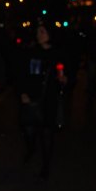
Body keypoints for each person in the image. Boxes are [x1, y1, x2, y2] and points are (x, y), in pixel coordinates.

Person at [16, 22, 68, 180]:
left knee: (46, 133)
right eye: (38, 32)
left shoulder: (57, 54)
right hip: (32, 98)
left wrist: (63, 79)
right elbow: (22, 74)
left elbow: (65, 76)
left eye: (43, 32)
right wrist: (23, 92)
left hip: (48, 99)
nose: (39, 35)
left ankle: (46, 164)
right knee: (29, 129)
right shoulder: (31, 52)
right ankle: (31, 149)